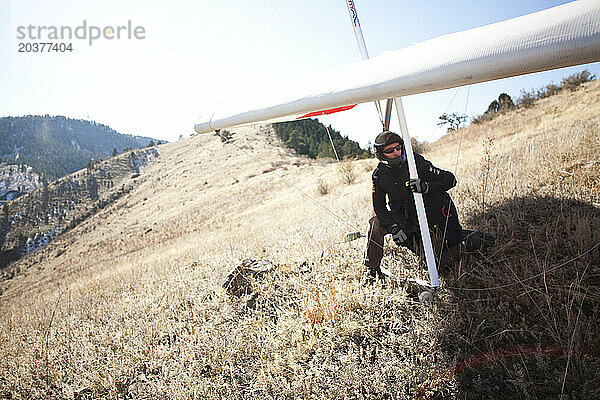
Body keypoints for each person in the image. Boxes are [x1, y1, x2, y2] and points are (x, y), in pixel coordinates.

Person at [364, 130, 493, 280]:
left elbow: (450, 179)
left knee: (431, 265)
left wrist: (426, 187)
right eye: (390, 151)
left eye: (398, 148)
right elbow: (379, 206)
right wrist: (393, 226)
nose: (396, 152)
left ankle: (470, 241)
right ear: (381, 154)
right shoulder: (379, 175)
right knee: (375, 223)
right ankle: (372, 271)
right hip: (406, 220)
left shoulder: (415, 162)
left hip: (432, 220)